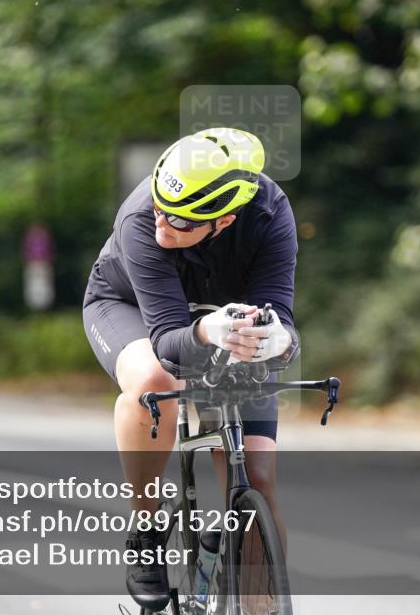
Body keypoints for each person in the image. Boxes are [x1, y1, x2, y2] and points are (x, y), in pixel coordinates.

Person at [82, 127, 299, 610]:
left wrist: (280, 338)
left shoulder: (269, 214)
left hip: (225, 317)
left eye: (180, 220)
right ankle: (147, 526)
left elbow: (280, 319)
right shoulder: (142, 219)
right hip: (131, 308)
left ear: (224, 220)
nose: (163, 222)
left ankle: (259, 602)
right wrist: (207, 332)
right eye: (161, 206)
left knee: (258, 478)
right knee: (156, 383)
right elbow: (167, 344)